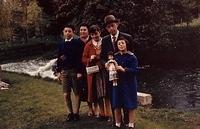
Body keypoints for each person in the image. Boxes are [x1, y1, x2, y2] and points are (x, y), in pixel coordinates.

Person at [101, 14, 135, 125]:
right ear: (106, 29)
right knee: (114, 97)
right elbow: (102, 57)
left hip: (125, 75)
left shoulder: (127, 37)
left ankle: (127, 120)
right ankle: (117, 121)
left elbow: (132, 56)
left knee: (125, 96)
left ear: (117, 24)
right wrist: (106, 64)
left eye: (112, 25)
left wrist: (126, 69)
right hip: (111, 75)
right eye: (108, 27)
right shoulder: (105, 40)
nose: (111, 28)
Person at [56, 24, 83, 121]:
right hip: (64, 72)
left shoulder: (77, 43)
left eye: (69, 31)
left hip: (75, 71)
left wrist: (80, 71)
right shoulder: (61, 44)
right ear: (63, 33)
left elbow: (80, 59)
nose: (67, 33)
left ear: (73, 32)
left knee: (77, 93)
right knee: (66, 94)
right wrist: (58, 71)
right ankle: (69, 113)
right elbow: (59, 59)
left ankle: (76, 113)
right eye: (66, 31)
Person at [112, 37, 138, 129]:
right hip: (117, 83)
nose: (121, 45)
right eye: (119, 44)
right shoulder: (115, 57)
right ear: (117, 46)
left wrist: (124, 70)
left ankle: (131, 124)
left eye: (122, 43)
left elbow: (135, 71)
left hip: (129, 83)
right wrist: (109, 67)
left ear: (126, 45)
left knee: (130, 104)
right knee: (117, 103)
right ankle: (117, 123)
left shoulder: (132, 57)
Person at [82, 25, 107, 119]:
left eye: (96, 34)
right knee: (97, 92)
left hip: (104, 69)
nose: (94, 36)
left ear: (99, 32)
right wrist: (90, 59)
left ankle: (107, 112)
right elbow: (83, 59)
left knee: (106, 92)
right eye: (92, 35)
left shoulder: (105, 42)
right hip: (94, 72)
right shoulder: (88, 45)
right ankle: (101, 112)